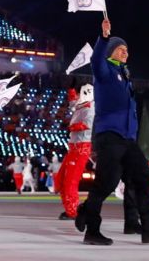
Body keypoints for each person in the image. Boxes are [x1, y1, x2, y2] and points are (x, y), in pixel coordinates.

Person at [74, 19, 149, 245]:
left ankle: (148, 228)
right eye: (121, 49)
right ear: (110, 51)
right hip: (109, 136)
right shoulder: (105, 72)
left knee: (145, 178)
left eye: (127, 49)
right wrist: (104, 37)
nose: (125, 52)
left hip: (127, 138)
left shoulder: (124, 75)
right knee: (106, 183)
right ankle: (92, 230)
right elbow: (95, 60)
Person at [58, 82, 94, 219]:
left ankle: (73, 212)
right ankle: (69, 209)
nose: (77, 97)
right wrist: (71, 90)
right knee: (61, 178)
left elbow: (87, 124)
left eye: (79, 94)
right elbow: (73, 103)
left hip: (81, 148)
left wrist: (71, 127)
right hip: (73, 148)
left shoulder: (91, 108)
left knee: (70, 181)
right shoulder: (81, 105)